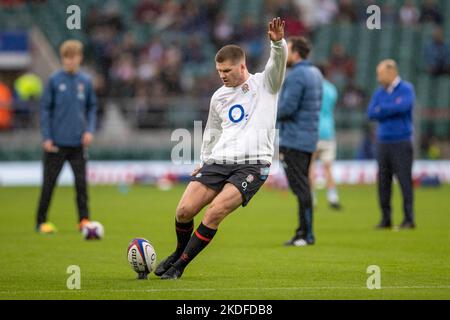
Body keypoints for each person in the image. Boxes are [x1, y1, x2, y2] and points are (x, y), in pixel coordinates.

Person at [154, 17, 287, 280]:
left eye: (227, 71)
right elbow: (212, 131)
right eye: (219, 72)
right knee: (183, 211)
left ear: (242, 66)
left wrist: (278, 43)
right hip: (219, 160)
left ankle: (179, 266)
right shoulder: (219, 96)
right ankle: (179, 251)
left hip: (253, 163)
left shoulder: (266, 84)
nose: (222, 76)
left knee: (215, 212)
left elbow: (278, 63)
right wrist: (204, 160)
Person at [36, 40, 97, 234]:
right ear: (63, 59)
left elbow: (92, 107)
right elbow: (45, 109)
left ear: (80, 58)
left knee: (81, 185)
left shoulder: (85, 82)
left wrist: (89, 130)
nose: (71, 61)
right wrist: (46, 137)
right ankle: (41, 221)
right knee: (49, 184)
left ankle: (84, 221)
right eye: (67, 57)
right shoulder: (54, 81)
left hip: (78, 143)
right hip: (56, 143)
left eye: (74, 57)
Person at [277, 36, 323, 247]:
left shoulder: (296, 75)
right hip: (309, 137)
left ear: (295, 53)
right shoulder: (315, 73)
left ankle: (307, 234)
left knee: (301, 188)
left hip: (294, 139)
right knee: (303, 185)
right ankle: (302, 232)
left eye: (288, 50)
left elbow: (287, 108)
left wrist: (267, 114)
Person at [367, 59, 416, 230]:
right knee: (383, 182)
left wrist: (383, 109)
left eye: (380, 74)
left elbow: (403, 107)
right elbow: (371, 112)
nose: (378, 78)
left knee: (404, 181)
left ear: (391, 72)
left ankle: (409, 219)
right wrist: (389, 108)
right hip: (383, 142)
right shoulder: (379, 92)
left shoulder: (407, 89)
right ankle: (385, 218)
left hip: (401, 141)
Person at [310, 69, 341, 210]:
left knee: (310, 167)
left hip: (313, 131)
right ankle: (333, 197)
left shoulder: (311, 88)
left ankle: (312, 198)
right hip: (328, 131)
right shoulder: (331, 89)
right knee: (328, 168)